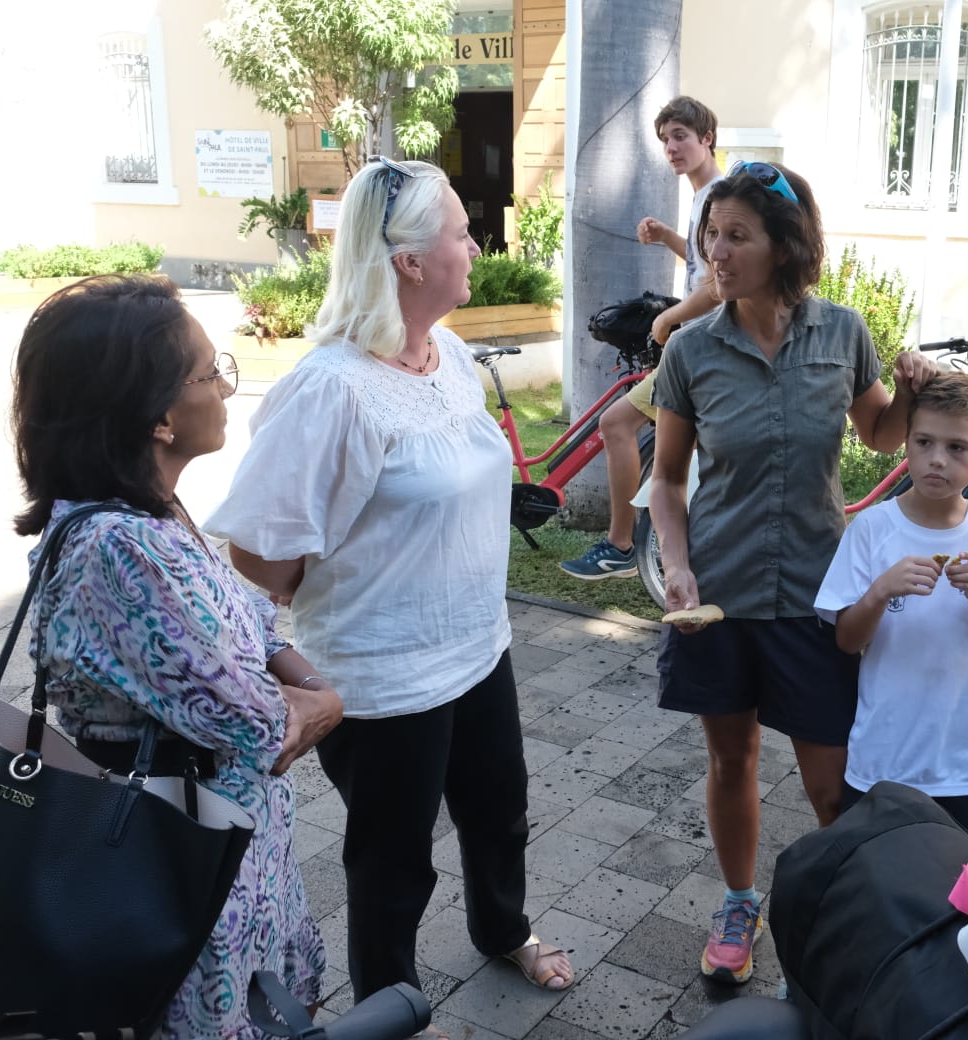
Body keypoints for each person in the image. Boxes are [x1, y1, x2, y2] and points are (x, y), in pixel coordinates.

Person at [207, 156, 575, 1003]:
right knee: (394, 855)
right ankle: (390, 1003)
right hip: (381, 675)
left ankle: (503, 929)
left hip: (479, 647)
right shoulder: (330, 389)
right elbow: (260, 554)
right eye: (459, 232)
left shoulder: (445, 350)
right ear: (409, 262)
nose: (475, 246)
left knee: (500, 814)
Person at [10, 274, 343, 1038]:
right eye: (208, 372)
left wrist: (309, 682)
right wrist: (323, 701)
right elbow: (261, 727)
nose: (227, 388)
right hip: (178, 874)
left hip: (227, 854)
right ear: (159, 415)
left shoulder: (153, 511)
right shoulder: (119, 552)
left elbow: (250, 622)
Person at [649, 160, 939, 983]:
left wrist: (913, 393)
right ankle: (740, 904)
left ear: (785, 245)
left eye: (737, 235)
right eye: (712, 233)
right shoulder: (691, 352)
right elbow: (667, 482)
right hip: (719, 595)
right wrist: (676, 566)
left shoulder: (842, 333)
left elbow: (882, 433)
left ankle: (848, 921)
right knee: (731, 760)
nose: (717, 250)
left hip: (820, 595)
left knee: (834, 784)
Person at [815, 373, 968, 837]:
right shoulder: (872, 529)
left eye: (957, 448)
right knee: (877, 883)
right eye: (924, 442)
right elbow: (847, 640)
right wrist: (879, 592)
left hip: (967, 761)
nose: (937, 460)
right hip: (883, 757)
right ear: (907, 445)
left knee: (962, 893)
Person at [561, 95, 723, 579]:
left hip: (703, 342)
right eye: (665, 140)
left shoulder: (720, 196)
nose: (671, 148)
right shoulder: (703, 197)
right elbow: (703, 264)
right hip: (699, 341)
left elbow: (718, 287)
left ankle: (621, 544)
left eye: (680, 137)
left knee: (616, 425)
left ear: (707, 138)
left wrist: (666, 321)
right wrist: (668, 236)